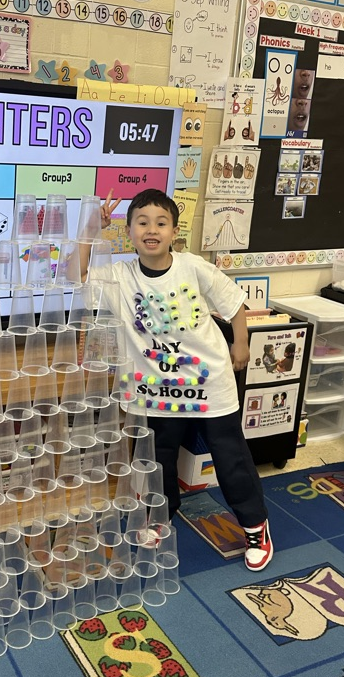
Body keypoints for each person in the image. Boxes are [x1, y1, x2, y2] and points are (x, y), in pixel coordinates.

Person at [90, 188, 273, 571]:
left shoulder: (192, 266)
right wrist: (93, 227)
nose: (151, 230)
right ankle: (160, 515)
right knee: (158, 458)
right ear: (129, 231)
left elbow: (235, 302)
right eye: (142, 222)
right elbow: (73, 274)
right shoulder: (119, 275)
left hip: (209, 382)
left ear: (174, 231)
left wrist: (241, 343)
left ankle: (255, 525)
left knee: (230, 456)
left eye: (161, 223)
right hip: (155, 387)